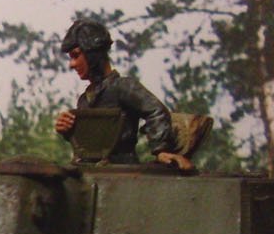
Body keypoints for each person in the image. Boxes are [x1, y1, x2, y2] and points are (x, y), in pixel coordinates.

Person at [54, 19, 192, 170]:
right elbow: (91, 141)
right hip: (93, 171)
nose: (72, 64)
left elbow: (156, 111)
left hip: (123, 170)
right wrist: (69, 129)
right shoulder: (84, 100)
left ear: (92, 53)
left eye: (76, 55)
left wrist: (161, 150)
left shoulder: (122, 87)